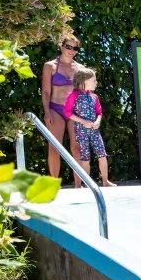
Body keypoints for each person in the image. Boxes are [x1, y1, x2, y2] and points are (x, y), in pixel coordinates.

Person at [64, 67, 116, 187]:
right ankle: (88, 184)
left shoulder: (94, 97)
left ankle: (105, 181)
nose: (96, 83)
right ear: (83, 81)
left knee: (102, 154)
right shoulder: (73, 95)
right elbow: (67, 112)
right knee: (85, 158)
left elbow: (99, 113)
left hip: (94, 131)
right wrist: (82, 121)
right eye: (93, 80)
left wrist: (97, 121)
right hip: (81, 132)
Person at [41, 35, 82, 186]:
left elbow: (84, 92)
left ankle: (79, 185)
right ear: (61, 46)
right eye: (68, 47)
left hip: (74, 112)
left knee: (77, 147)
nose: (71, 51)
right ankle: (54, 185)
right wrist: (47, 111)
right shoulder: (50, 66)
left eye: (75, 48)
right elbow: (45, 91)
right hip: (55, 109)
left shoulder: (80, 69)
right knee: (54, 148)